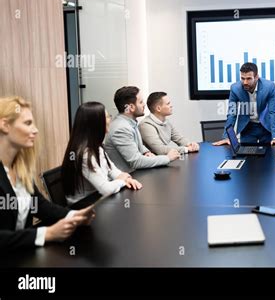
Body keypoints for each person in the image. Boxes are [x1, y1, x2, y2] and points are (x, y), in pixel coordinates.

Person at [0, 96, 95, 252]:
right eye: (28, 123)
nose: (35, 130)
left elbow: (40, 206)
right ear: (5, 125)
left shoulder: (19, 168)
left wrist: (74, 216)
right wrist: (47, 233)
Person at [61, 102, 143, 206]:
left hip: (98, 200)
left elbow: (111, 169)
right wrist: (122, 182)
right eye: (108, 117)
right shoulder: (85, 154)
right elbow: (106, 189)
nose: (110, 120)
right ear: (96, 123)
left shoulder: (96, 146)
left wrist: (124, 177)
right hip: (84, 207)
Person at [104, 86, 180, 173]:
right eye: (141, 102)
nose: (144, 104)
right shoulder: (121, 129)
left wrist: (145, 152)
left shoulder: (129, 122)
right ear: (131, 107)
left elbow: (135, 144)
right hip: (128, 178)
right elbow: (136, 162)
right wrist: (167, 158)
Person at [213, 62, 275, 146]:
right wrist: (227, 137)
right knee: (247, 154)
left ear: (256, 77)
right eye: (243, 78)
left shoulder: (269, 86)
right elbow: (232, 113)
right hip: (247, 126)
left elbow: (273, 112)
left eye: (249, 78)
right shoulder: (235, 88)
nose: (245, 82)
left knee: (268, 154)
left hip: (265, 125)